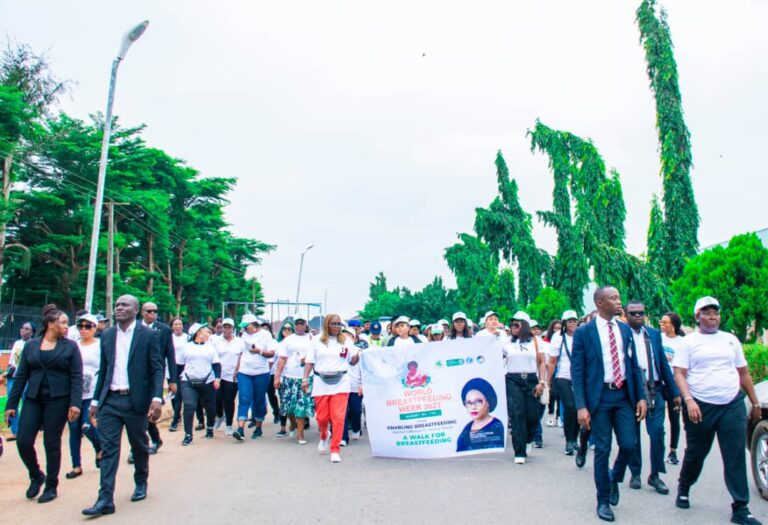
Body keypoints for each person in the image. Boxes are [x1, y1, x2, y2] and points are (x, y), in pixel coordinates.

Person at [672, 296, 762, 525]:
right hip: (700, 405)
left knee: (734, 456)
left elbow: (743, 373)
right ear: (697, 317)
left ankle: (740, 508)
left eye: (716, 313)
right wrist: (689, 401)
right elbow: (680, 374)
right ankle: (684, 485)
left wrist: (755, 402)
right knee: (697, 453)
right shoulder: (688, 342)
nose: (712, 317)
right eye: (707, 313)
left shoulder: (730, 340)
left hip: (731, 404)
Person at [82, 295, 164, 517]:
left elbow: (157, 368)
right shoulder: (107, 336)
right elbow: (104, 370)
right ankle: (105, 499)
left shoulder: (148, 335)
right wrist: (96, 401)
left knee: (138, 444)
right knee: (109, 449)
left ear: (135, 310)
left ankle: (141, 481)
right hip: (110, 401)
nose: (119, 308)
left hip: (135, 401)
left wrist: (157, 398)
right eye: (117, 305)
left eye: (124, 305)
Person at [570, 286, 647, 523]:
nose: (618, 301)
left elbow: (633, 366)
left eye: (618, 297)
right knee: (602, 449)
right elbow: (578, 371)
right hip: (599, 398)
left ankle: (614, 477)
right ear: (600, 303)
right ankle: (603, 500)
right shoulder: (584, 333)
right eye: (613, 298)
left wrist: (642, 396)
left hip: (623, 396)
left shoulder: (624, 330)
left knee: (629, 444)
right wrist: (581, 406)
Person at [5, 304, 82, 504]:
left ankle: (51, 485)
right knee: (23, 440)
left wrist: (75, 403)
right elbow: (21, 376)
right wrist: (11, 405)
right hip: (33, 398)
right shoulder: (31, 345)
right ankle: (36, 475)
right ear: (50, 324)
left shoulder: (70, 347)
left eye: (67, 323)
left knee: (51, 442)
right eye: (63, 322)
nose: (67, 326)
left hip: (58, 400)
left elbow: (76, 377)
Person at [610, 301, 681, 496]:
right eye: (633, 313)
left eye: (641, 313)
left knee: (657, 431)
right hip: (631, 390)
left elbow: (663, 365)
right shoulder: (621, 334)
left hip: (654, 388)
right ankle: (635, 473)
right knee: (632, 436)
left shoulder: (654, 335)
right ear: (626, 314)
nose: (637, 316)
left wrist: (674, 392)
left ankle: (655, 474)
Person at [303, 314, 360, 463]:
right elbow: (309, 361)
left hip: (341, 381)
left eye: (338, 324)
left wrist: (358, 355)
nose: (336, 326)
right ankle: (324, 435)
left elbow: (353, 362)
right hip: (321, 381)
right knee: (322, 418)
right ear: (327, 325)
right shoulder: (317, 340)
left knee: (338, 417)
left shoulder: (346, 341)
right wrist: (304, 379)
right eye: (333, 324)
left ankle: (335, 449)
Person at [502, 311, 546, 464]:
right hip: (513, 380)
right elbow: (495, 357)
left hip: (531, 380)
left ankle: (528, 439)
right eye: (512, 324)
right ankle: (519, 451)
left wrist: (542, 382)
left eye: (517, 324)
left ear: (525, 326)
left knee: (532, 416)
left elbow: (542, 362)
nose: (513, 327)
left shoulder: (536, 341)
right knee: (517, 414)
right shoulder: (506, 342)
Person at [66, 313, 103, 480]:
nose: (84, 329)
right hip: (74, 394)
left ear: (95, 328)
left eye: (88, 326)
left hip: (92, 392)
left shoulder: (100, 346)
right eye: (81, 326)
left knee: (87, 426)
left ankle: (100, 446)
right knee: (73, 429)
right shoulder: (73, 346)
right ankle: (76, 465)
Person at [140, 301, 177, 455]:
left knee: (150, 409)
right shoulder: (135, 328)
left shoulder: (164, 330)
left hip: (155, 375)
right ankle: (145, 442)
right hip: (137, 375)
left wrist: (173, 380)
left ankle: (149, 441)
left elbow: (170, 355)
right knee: (138, 411)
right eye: (149, 311)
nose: (152, 314)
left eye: (155, 311)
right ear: (142, 312)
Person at [232, 314, 275, 441]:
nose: (245, 329)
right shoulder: (243, 336)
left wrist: (259, 351)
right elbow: (241, 354)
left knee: (258, 399)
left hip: (261, 372)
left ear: (254, 325)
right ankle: (240, 429)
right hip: (245, 372)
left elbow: (271, 353)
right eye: (243, 327)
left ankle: (258, 427)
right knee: (244, 398)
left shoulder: (265, 335)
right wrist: (236, 370)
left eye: (247, 326)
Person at [274, 314, 315, 445]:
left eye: (302, 323)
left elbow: (315, 355)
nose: (299, 325)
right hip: (289, 376)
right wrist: (277, 376)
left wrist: (306, 359)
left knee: (301, 406)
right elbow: (282, 358)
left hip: (305, 377)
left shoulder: (311, 338)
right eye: (297, 323)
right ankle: (292, 423)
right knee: (288, 406)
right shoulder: (288, 340)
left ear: (305, 325)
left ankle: (300, 434)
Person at [179, 323, 221, 445]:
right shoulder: (186, 347)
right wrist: (175, 382)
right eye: (206, 331)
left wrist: (217, 378)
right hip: (188, 380)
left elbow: (216, 364)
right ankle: (188, 434)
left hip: (207, 381)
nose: (209, 333)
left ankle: (209, 426)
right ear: (199, 333)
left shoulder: (210, 347)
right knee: (189, 406)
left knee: (210, 408)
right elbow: (180, 365)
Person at [546, 310, 579, 455]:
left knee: (579, 408)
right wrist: (547, 380)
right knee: (570, 407)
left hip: (579, 377)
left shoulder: (581, 336)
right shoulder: (559, 338)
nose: (572, 323)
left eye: (574, 321)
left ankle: (574, 439)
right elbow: (552, 361)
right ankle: (568, 440)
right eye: (569, 321)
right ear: (564, 323)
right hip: (563, 376)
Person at [659, 311, 686, 465]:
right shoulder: (658, 338)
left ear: (674, 325)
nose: (661, 325)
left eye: (665, 322)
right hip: (659, 384)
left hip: (675, 385)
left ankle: (673, 450)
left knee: (674, 418)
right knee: (658, 419)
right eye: (661, 322)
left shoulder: (682, 342)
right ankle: (659, 449)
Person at [5, 321, 36, 440]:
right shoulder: (17, 343)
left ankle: (26, 429)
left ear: (32, 332)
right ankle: (15, 430)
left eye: (27, 329)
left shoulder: (33, 344)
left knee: (27, 403)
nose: (23, 330)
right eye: (22, 328)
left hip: (27, 378)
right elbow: (12, 360)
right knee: (12, 401)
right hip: (13, 377)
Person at [456, 377, 505, 452]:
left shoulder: (497, 426)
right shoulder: (466, 429)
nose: (473, 407)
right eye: (469, 403)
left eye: (478, 401)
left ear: (488, 402)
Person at [212, 318, 241, 435]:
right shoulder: (215, 341)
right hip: (218, 375)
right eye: (225, 327)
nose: (227, 329)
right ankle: (220, 416)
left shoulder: (239, 342)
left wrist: (237, 370)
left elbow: (241, 356)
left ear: (233, 328)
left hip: (232, 375)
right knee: (217, 399)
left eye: (229, 327)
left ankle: (229, 425)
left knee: (229, 400)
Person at [343, 325, 367, 445]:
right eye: (343, 334)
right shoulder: (338, 350)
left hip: (355, 386)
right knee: (342, 412)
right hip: (341, 387)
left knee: (356, 411)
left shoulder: (358, 351)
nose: (345, 337)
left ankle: (356, 429)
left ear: (353, 338)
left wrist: (362, 385)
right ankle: (343, 437)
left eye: (348, 335)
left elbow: (363, 370)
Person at [272, 321, 295, 436]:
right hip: (281, 376)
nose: (286, 331)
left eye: (289, 329)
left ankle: (294, 422)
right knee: (283, 402)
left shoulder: (297, 343)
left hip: (294, 376)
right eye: (284, 329)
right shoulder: (277, 344)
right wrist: (276, 377)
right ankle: (282, 427)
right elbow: (274, 361)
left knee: (293, 403)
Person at [168, 317, 189, 432]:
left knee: (179, 394)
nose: (178, 326)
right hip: (171, 367)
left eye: (180, 324)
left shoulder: (187, 338)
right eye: (175, 324)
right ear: (172, 326)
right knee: (173, 393)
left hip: (183, 367)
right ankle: (177, 415)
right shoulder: (169, 338)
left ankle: (175, 420)